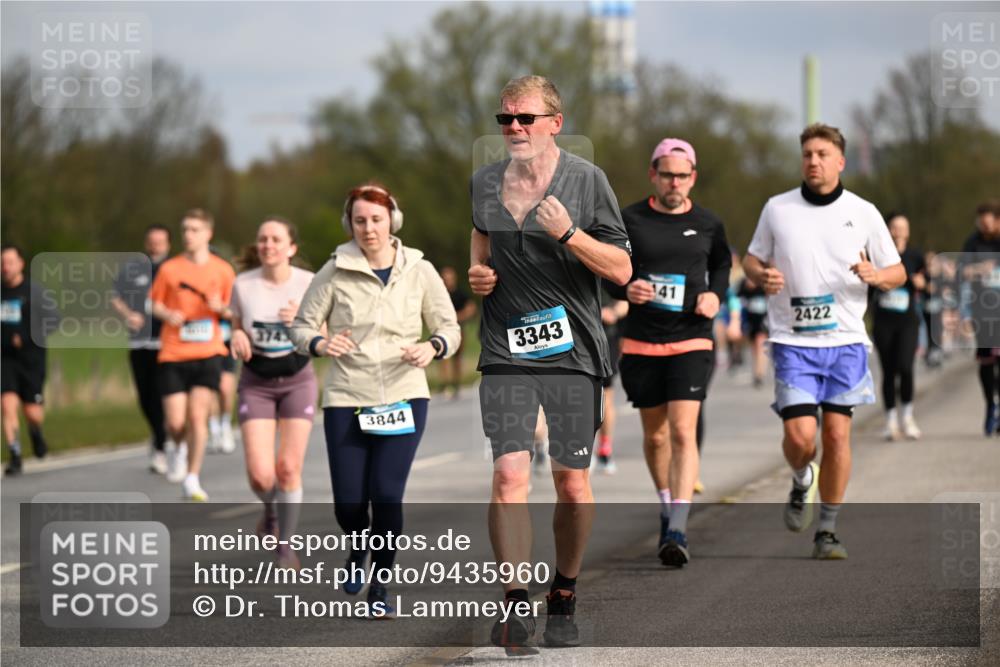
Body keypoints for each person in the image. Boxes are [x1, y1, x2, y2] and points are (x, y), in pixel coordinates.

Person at [469, 75, 631, 651]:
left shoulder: (589, 182)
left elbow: (620, 269)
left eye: (525, 118)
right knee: (510, 474)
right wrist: (478, 274)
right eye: (505, 119)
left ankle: (563, 589)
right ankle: (515, 602)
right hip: (505, 350)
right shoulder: (485, 183)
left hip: (574, 354)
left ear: (554, 123)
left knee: (570, 481)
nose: (513, 128)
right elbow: (480, 242)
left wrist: (568, 235)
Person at [290, 183, 460, 616]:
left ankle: (381, 585)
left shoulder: (418, 269)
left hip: (404, 395)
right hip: (348, 395)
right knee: (349, 504)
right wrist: (320, 344)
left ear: (393, 221)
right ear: (350, 223)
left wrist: (433, 346)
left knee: (386, 494)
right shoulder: (334, 270)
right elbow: (300, 328)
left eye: (377, 219)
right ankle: (356, 548)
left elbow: (450, 326)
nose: (369, 228)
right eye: (360, 220)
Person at [744, 123, 905, 560]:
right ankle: (800, 480)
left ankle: (828, 529)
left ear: (840, 162)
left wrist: (877, 275)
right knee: (801, 439)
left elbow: (898, 272)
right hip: (793, 340)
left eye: (821, 154)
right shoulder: (778, 208)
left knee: (836, 437)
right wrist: (762, 275)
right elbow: (752, 259)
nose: (813, 161)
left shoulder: (864, 211)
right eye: (807, 154)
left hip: (847, 341)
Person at [604, 138, 732, 567]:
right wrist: (626, 287)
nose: (674, 182)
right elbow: (607, 269)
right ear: (653, 176)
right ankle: (665, 505)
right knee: (656, 435)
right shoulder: (630, 219)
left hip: (693, 337)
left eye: (682, 175)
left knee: (682, 431)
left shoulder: (709, 223)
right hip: (642, 340)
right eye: (667, 174)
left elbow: (722, 265)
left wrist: (716, 295)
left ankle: (678, 524)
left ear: (692, 178)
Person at [231, 217, 317, 570]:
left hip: (298, 378)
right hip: (257, 381)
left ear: (291, 248)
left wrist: (302, 319)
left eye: (276, 239)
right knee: (261, 476)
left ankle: (286, 545)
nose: (268, 245)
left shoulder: (309, 283)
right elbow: (235, 323)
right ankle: (270, 510)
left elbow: (326, 330)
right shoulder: (242, 284)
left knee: (287, 468)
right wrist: (235, 335)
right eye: (263, 239)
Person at [149, 209, 236, 501]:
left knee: (197, 417)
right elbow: (154, 304)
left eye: (195, 230)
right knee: (175, 422)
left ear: (208, 234)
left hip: (208, 352)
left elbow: (234, 310)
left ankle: (192, 477)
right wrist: (167, 313)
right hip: (173, 353)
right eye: (185, 229)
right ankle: (177, 447)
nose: (188, 235)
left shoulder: (222, 270)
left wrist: (220, 308)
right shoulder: (170, 269)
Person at [111, 225, 172, 474]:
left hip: (167, 342)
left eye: (160, 241)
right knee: (145, 397)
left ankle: (161, 444)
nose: (156, 245)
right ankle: (159, 434)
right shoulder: (133, 268)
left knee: (161, 395)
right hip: (139, 341)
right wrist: (128, 315)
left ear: (168, 243)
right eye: (152, 241)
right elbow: (115, 296)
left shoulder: (175, 268)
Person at [1, 245, 56, 475]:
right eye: (2, 263)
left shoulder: (35, 292)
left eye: (10, 262)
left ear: (21, 264)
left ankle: (36, 431)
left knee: (32, 412)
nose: (6, 267)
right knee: (7, 406)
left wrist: (27, 337)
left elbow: (54, 320)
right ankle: (14, 454)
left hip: (31, 359)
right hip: (5, 360)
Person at [872, 213, 926, 441]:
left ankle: (908, 417)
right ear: (887, 229)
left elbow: (927, 283)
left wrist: (920, 282)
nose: (898, 231)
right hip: (883, 321)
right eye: (894, 227)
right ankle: (890, 421)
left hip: (907, 322)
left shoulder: (915, 256)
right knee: (888, 371)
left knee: (905, 367)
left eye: (903, 227)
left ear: (908, 231)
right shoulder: (877, 256)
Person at [959, 201, 1000, 435]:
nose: (985, 224)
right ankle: (990, 404)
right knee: (986, 363)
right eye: (981, 220)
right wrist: (978, 269)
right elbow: (962, 272)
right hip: (982, 311)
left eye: (989, 220)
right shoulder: (972, 243)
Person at [595, 297, 628, 474]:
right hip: (574, 335)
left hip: (606, 338)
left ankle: (604, 450)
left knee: (605, 396)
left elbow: (626, 298)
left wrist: (613, 312)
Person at [438, 266, 477, 399]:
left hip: (458, 329)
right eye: (445, 278)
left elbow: (471, 307)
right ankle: (445, 383)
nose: (447, 281)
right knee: (444, 357)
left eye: (449, 278)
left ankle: (457, 383)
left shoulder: (460, 294)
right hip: (441, 329)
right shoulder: (439, 294)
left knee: (458, 358)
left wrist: (458, 316)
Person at [737, 273, 769, 388]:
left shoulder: (767, 279)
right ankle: (756, 370)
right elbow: (738, 299)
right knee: (754, 347)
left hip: (763, 319)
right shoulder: (743, 282)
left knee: (760, 343)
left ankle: (759, 374)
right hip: (750, 319)